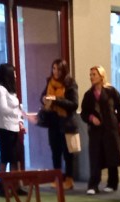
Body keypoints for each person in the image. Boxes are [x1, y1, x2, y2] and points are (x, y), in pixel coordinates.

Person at [79, 65, 120, 195]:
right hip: (95, 130)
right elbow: (84, 113)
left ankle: (112, 183)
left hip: (111, 128)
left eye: (94, 74)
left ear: (101, 76)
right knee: (95, 157)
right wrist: (91, 118)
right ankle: (93, 185)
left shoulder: (111, 91)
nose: (91, 77)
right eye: (90, 75)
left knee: (112, 156)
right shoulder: (88, 95)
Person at [40, 59, 78, 190]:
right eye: (54, 68)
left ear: (64, 70)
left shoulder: (70, 83)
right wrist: (44, 99)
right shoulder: (49, 82)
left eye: (58, 69)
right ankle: (57, 178)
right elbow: (42, 96)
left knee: (68, 153)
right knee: (55, 151)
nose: (55, 72)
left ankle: (69, 179)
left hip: (66, 122)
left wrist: (56, 99)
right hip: (53, 122)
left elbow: (74, 104)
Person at [0, 63, 27, 174]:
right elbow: (3, 109)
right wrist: (18, 113)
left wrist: (20, 121)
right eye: (14, 74)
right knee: (5, 158)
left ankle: (16, 185)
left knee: (15, 159)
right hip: (4, 128)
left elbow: (17, 107)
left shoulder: (10, 90)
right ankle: (4, 187)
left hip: (14, 127)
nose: (15, 76)